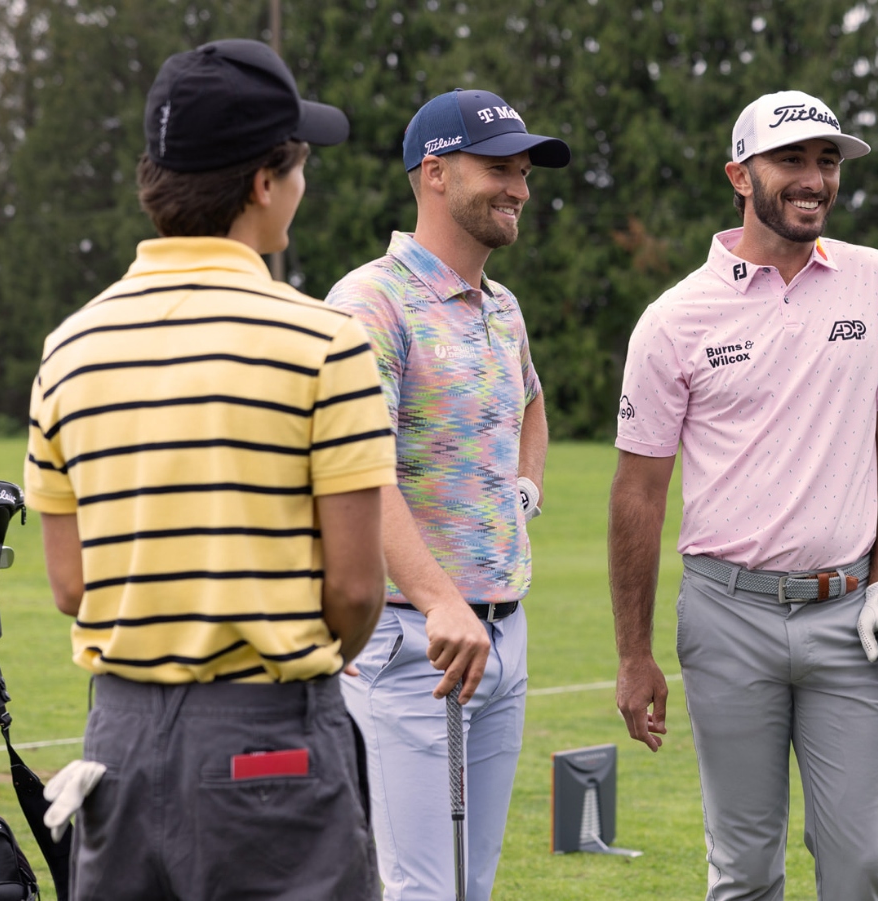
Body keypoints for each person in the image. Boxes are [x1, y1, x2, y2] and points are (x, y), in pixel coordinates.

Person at [24, 39, 394, 898]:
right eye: (297, 167)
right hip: (271, 738)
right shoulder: (323, 341)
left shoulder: (70, 346)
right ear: (265, 181)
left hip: (115, 741)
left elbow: (72, 584)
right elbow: (356, 589)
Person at [609, 90, 878, 900]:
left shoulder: (877, 281)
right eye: (792, 160)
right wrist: (632, 653)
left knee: (859, 865)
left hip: (849, 614)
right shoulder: (673, 319)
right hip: (727, 617)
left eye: (827, 162)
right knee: (746, 870)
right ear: (739, 175)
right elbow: (639, 493)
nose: (814, 179)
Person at [327, 88, 569, 901]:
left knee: (472, 885)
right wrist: (439, 602)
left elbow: (533, 402)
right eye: (499, 169)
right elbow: (360, 471)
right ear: (434, 173)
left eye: (525, 172)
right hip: (412, 645)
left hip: (504, 632)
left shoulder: (503, 306)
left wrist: (522, 493)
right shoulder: (372, 302)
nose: (519, 190)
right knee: (421, 889)